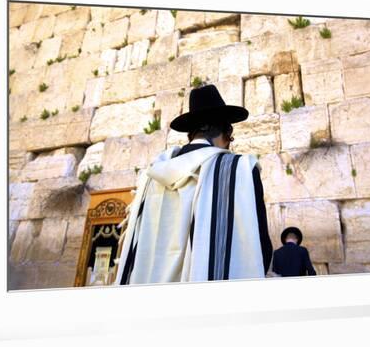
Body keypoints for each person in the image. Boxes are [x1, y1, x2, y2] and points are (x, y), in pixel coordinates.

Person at [115, 84, 273, 285]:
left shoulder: (150, 177)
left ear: (191, 132)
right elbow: (260, 246)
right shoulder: (240, 168)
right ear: (223, 132)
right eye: (230, 136)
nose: (230, 142)